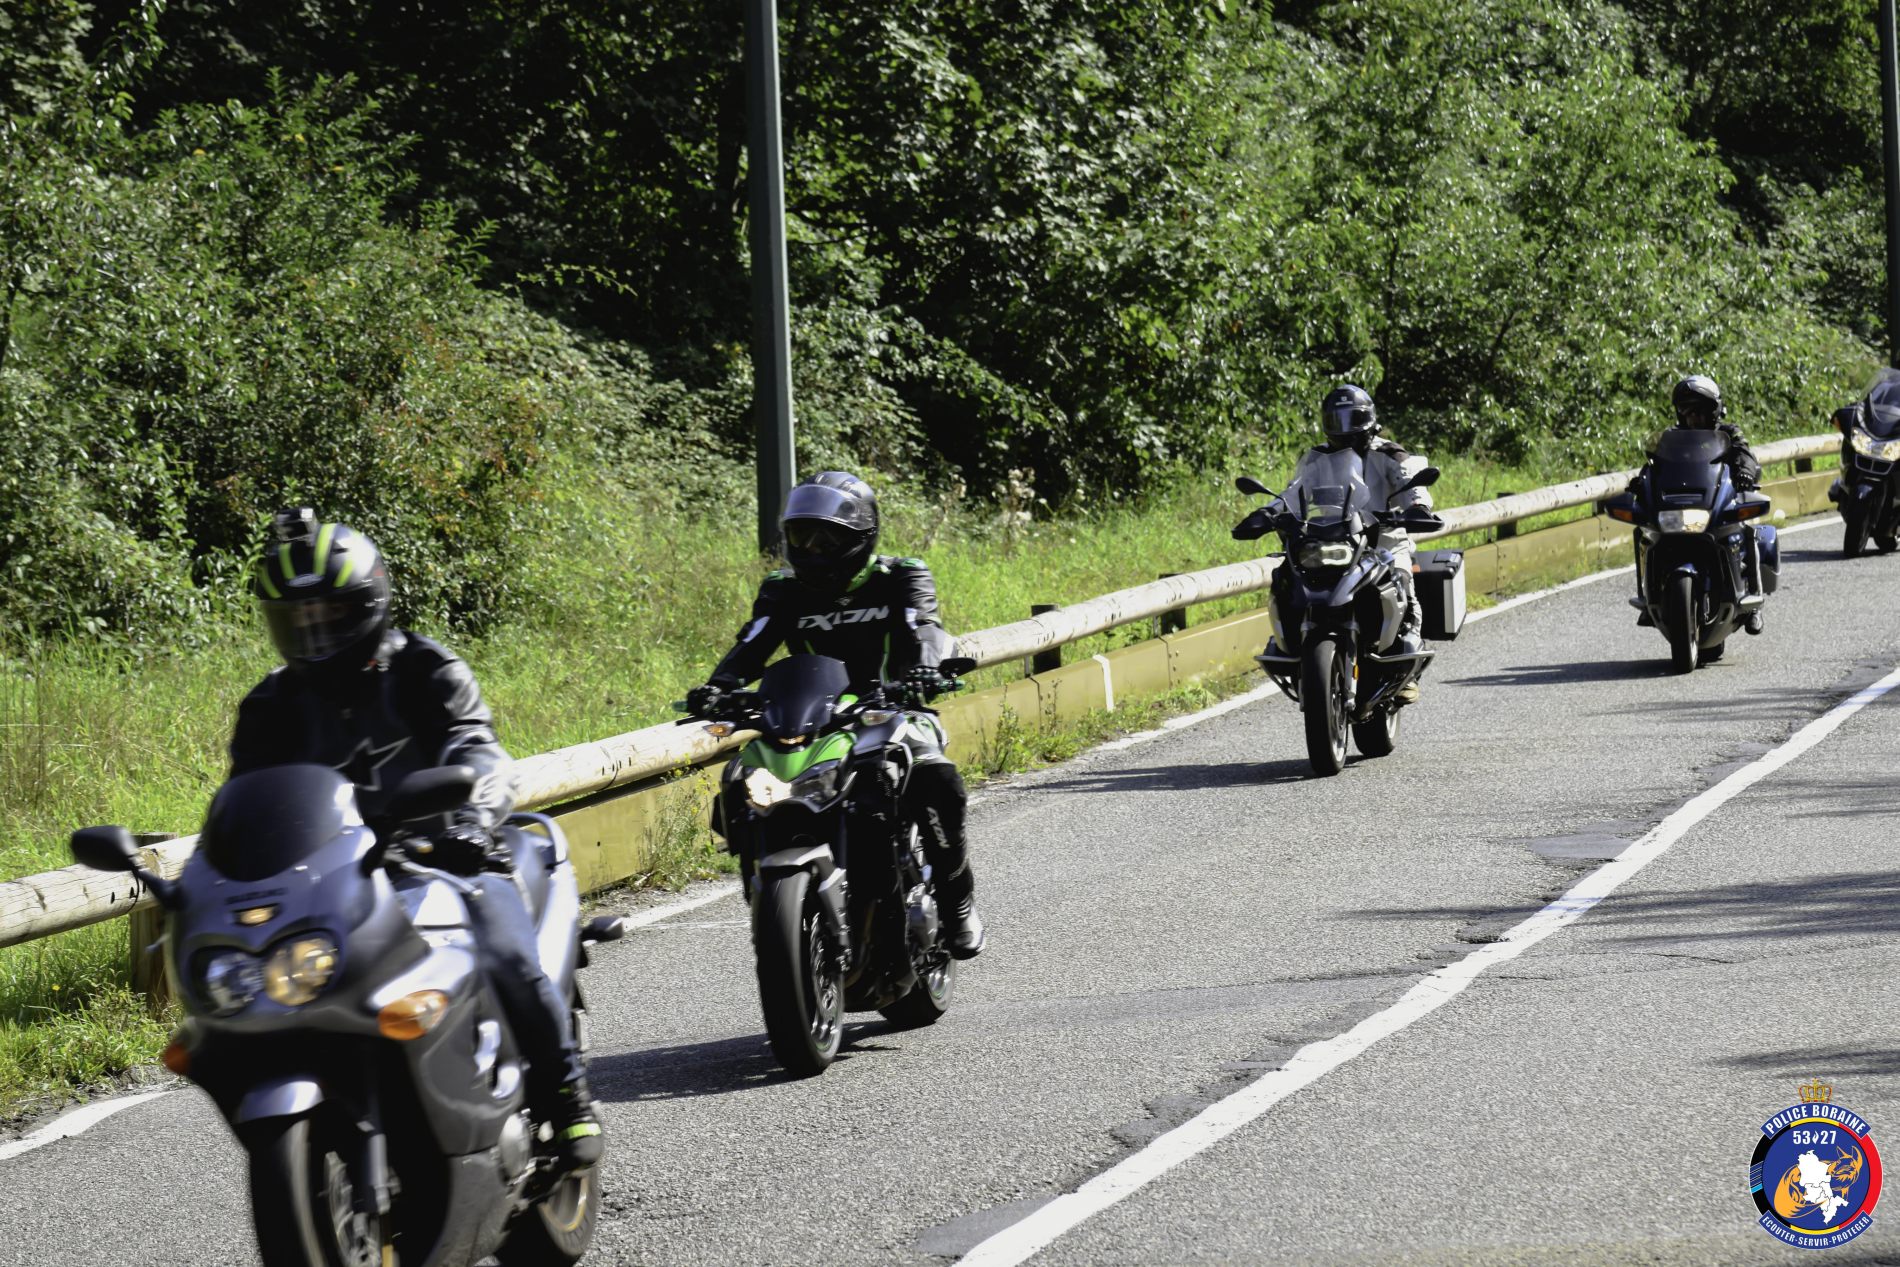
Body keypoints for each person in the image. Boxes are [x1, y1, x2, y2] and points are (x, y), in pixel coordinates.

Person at [229, 507, 602, 1169]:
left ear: (370, 604)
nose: (315, 633)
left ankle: (567, 1098)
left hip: (448, 858)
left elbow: (478, 751)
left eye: (330, 614)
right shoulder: (270, 707)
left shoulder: (427, 670)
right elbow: (247, 798)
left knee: (504, 953)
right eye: (298, 620)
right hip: (336, 881)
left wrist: (471, 822)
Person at [686, 471, 985, 958]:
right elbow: (754, 641)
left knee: (934, 773)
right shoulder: (783, 588)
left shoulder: (900, 575)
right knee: (742, 782)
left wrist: (925, 672)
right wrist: (720, 686)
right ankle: (769, 895)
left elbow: (922, 625)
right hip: (812, 719)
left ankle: (956, 901)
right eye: (802, 536)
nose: (813, 550)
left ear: (861, 536)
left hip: (893, 709)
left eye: (827, 538)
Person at [1257, 385, 1435, 702]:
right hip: (1333, 539)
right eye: (1335, 419)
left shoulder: (1390, 454)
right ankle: (1289, 646)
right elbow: (1294, 491)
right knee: (1287, 575)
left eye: (1351, 418)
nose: (1344, 427)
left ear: (1368, 419)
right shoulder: (1319, 458)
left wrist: (1418, 506)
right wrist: (1269, 511)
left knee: (1403, 581)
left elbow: (1411, 481)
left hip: (1383, 540)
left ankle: (1409, 664)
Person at [1630, 375, 1765, 634]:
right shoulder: (1670, 438)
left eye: (1700, 410)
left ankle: (1754, 604)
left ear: (1714, 411)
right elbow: (1654, 466)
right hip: (1683, 503)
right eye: (1687, 410)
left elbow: (1744, 454)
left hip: (1720, 500)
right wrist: (1642, 481)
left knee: (1749, 529)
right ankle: (1649, 599)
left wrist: (1746, 473)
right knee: (1646, 534)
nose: (1693, 417)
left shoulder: (1729, 433)